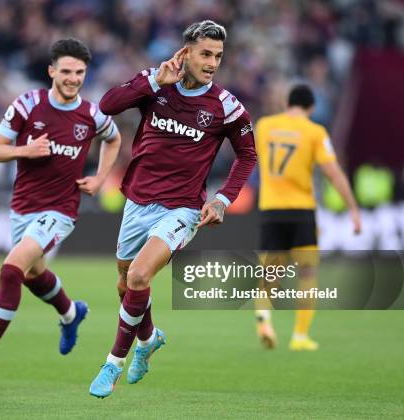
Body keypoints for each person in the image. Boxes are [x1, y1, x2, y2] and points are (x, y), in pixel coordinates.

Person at [88, 20, 257, 398]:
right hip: (137, 202)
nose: (212, 62)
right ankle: (147, 340)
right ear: (186, 51)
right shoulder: (157, 83)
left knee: (137, 276)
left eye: (218, 56)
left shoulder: (226, 106)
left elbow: (247, 155)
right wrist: (153, 82)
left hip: (181, 209)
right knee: (126, 284)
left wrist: (222, 199)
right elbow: (105, 107)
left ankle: (112, 364)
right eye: (205, 54)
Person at [0, 38, 121, 384]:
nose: (72, 78)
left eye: (79, 72)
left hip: (60, 211)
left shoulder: (92, 114)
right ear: (51, 71)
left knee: (10, 271)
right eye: (66, 71)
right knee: (33, 275)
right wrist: (26, 151)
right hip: (22, 208)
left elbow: (114, 139)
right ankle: (69, 312)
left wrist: (100, 178)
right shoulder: (27, 104)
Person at [254, 83, 361, 351]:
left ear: (287, 103)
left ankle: (263, 318)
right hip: (301, 210)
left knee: (271, 272)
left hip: (270, 208)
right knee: (308, 272)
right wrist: (353, 209)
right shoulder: (315, 132)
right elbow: (333, 173)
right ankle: (300, 336)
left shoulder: (265, 126)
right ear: (311, 107)